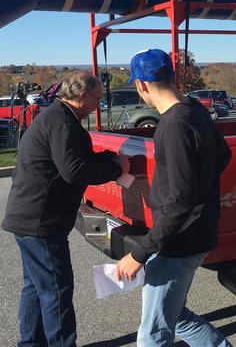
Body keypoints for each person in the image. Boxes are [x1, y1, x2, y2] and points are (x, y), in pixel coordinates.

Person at [114, 49, 233, 347]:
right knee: (176, 315)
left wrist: (139, 254)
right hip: (196, 234)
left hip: (178, 244)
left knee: (152, 334)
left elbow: (179, 201)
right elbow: (224, 155)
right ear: (171, 76)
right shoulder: (195, 108)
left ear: (141, 85)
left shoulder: (174, 126)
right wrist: (198, 181)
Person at [2, 73, 129, 347]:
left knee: (35, 287)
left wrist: (107, 157)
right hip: (41, 223)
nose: (99, 104)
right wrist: (117, 168)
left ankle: (30, 343)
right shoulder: (62, 122)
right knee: (56, 291)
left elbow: (71, 158)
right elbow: (75, 170)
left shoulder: (57, 116)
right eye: (97, 98)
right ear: (82, 95)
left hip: (27, 218)